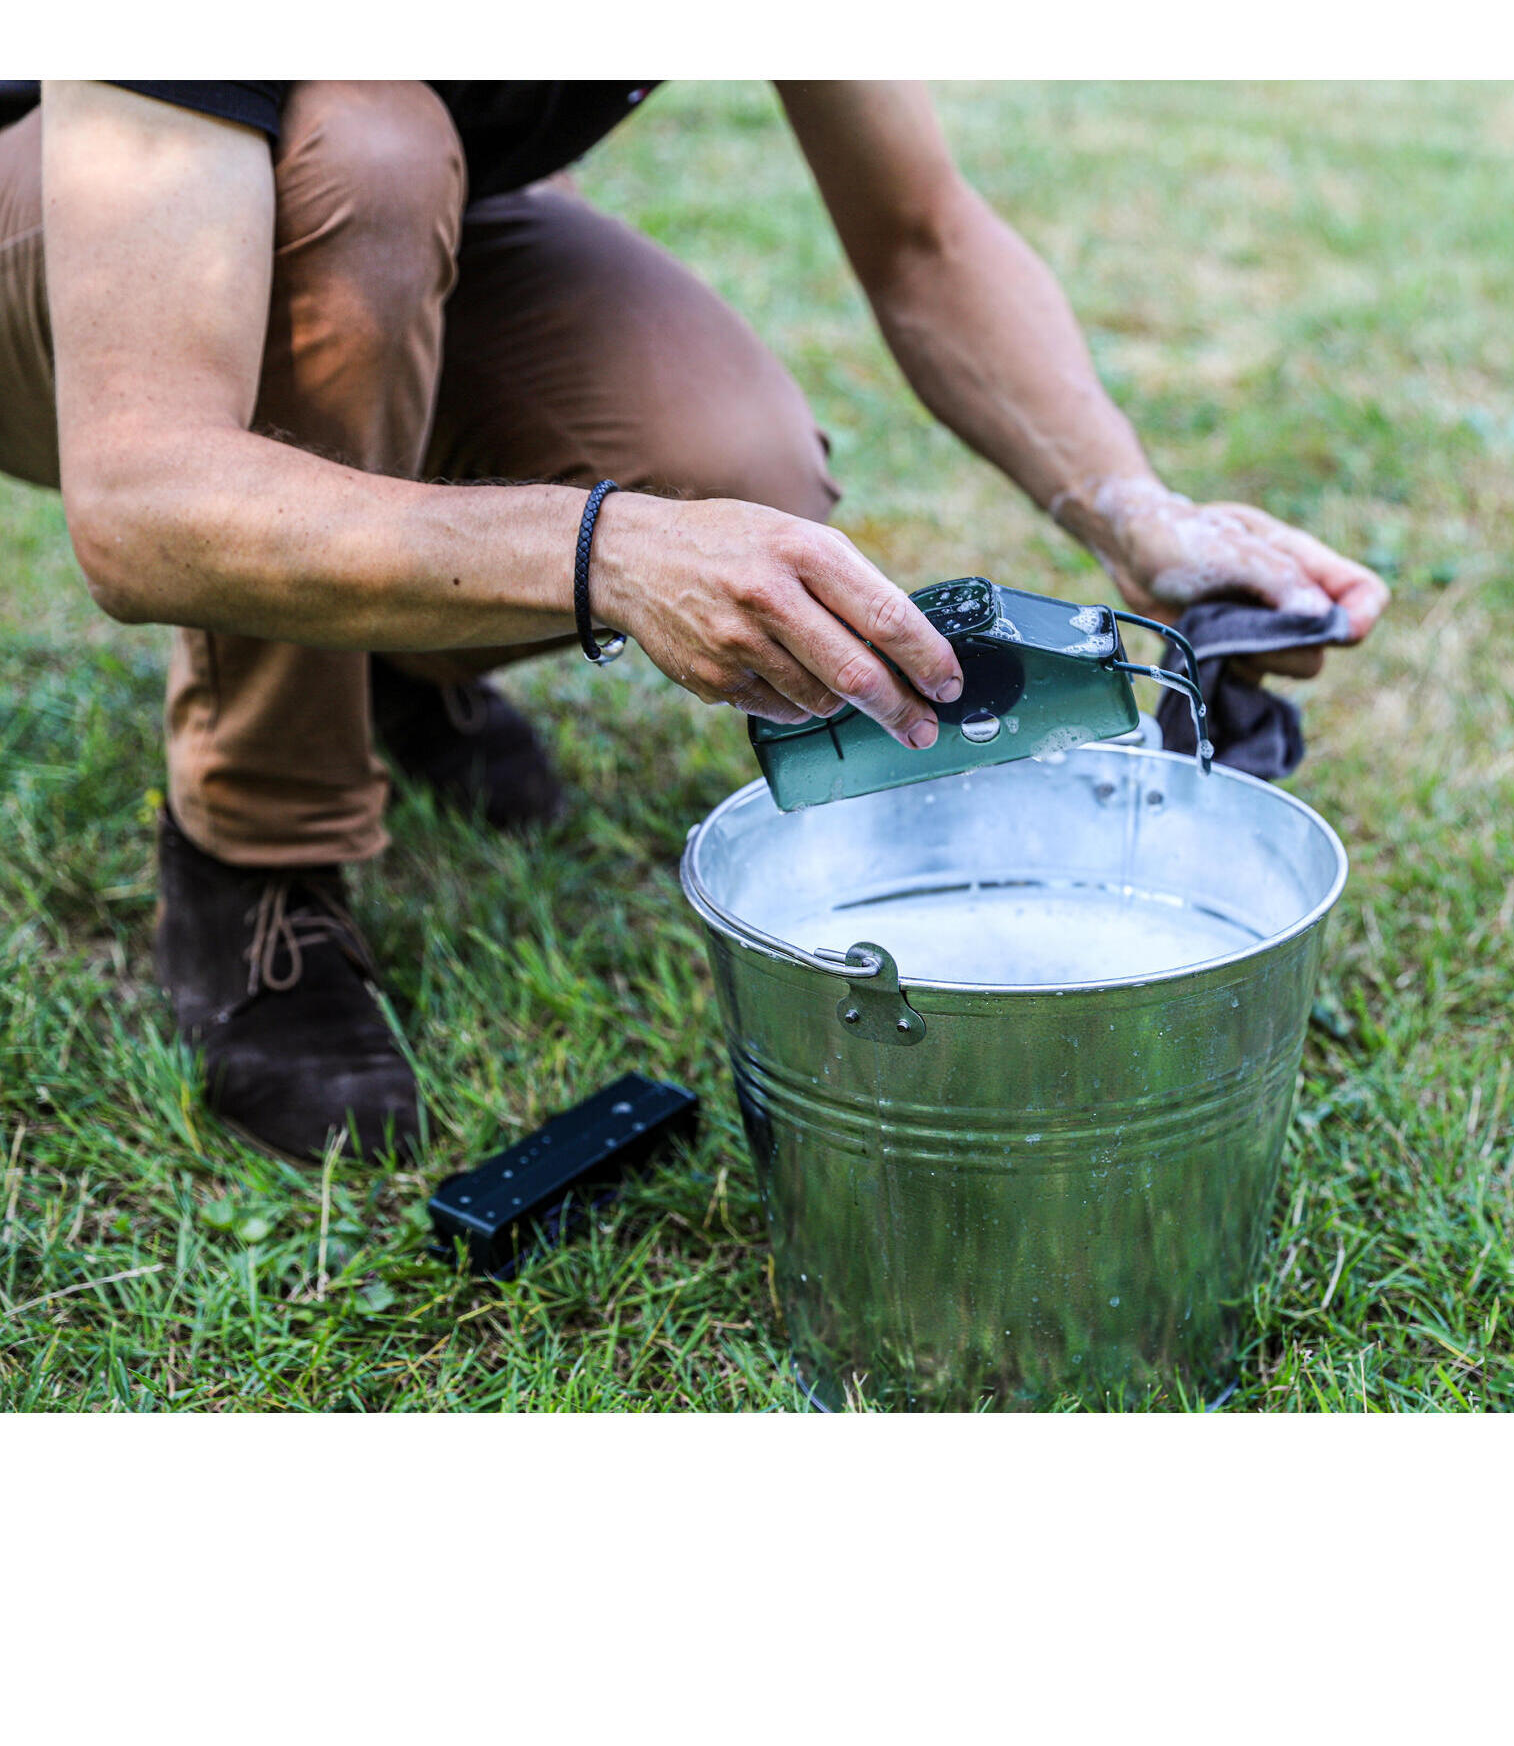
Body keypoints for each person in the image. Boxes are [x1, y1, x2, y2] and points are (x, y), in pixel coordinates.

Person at [0, 81, 1389, 1162]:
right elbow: (144, 498)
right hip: (96, 227)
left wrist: (1136, 513)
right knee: (372, 155)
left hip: (393, 219)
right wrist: (609, 554)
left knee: (734, 457)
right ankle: (257, 849)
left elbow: (925, 230)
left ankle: (386, 654)